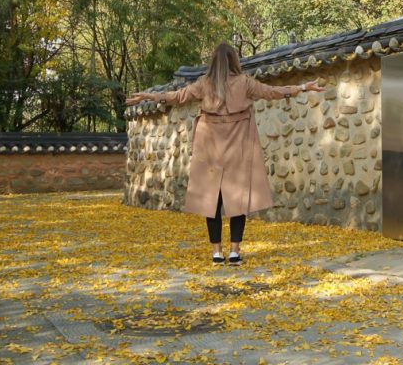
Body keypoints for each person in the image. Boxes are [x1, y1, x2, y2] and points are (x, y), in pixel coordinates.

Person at [126, 42, 322, 266]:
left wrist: (149, 97)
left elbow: (177, 96)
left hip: (209, 147)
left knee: (212, 199)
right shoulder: (245, 83)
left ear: (214, 62)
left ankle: (216, 253)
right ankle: (235, 252)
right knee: (237, 198)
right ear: (234, 60)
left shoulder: (204, 84)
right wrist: (304, 87)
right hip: (238, 145)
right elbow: (273, 93)